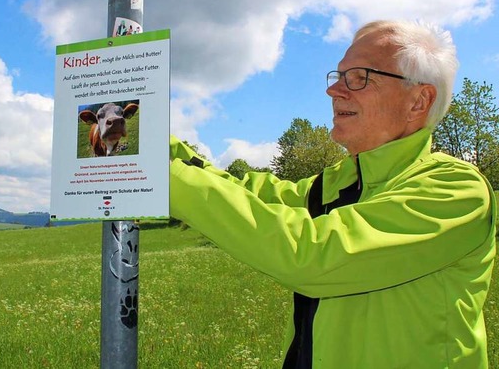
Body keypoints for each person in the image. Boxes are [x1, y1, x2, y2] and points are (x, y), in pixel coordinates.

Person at [169, 20, 496, 368]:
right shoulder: (336, 183)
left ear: (418, 100)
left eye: (359, 77)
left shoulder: (455, 191)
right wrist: (156, 144)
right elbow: (254, 194)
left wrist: (161, 178)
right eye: (338, 76)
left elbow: (312, 254)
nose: (335, 90)